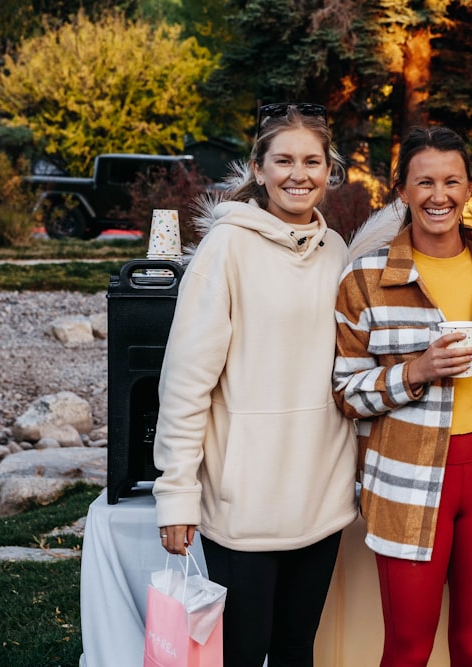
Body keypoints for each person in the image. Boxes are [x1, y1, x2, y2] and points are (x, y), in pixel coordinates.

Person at [152, 102, 358, 667]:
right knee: (243, 654)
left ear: (329, 169)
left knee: (297, 652)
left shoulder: (336, 249)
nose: (299, 174)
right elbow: (187, 381)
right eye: (284, 160)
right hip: (243, 505)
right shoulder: (226, 248)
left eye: (312, 161)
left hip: (321, 500)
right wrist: (175, 492)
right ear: (258, 168)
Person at [332, 126, 472, 667]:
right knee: (408, 649)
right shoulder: (365, 280)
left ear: (471, 191)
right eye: (424, 182)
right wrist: (414, 371)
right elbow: (346, 393)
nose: (438, 195)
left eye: (451, 181)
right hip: (408, 485)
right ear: (402, 191)